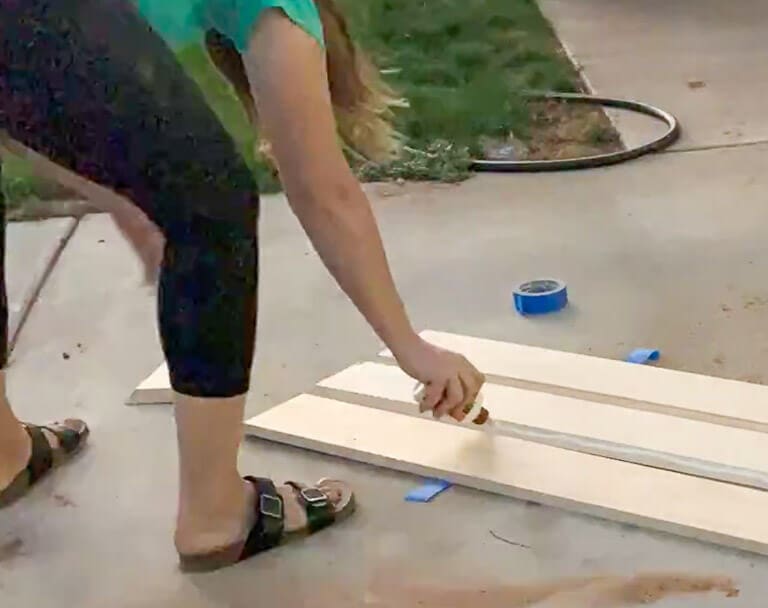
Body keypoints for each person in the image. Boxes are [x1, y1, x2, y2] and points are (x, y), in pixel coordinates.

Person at [0, 0, 485, 569]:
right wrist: (411, 348)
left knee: (196, 198)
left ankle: (3, 453)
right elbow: (325, 196)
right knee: (214, 209)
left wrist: (120, 199)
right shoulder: (277, 9)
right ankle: (217, 512)